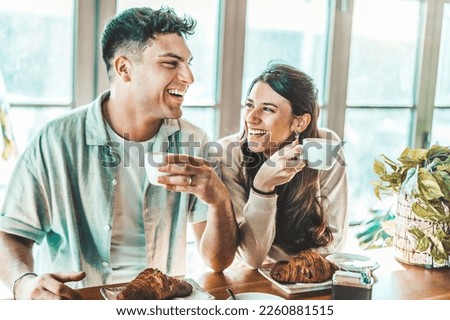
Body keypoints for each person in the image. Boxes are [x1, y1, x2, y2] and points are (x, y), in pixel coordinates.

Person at [0, 6, 238, 300]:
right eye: (171, 63)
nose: (189, 76)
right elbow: (10, 233)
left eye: (188, 63)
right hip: (77, 305)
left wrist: (219, 200)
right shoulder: (55, 141)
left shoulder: (195, 141)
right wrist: (23, 283)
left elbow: (217, 261)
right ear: (124, 68)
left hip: (162, 306)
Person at [217, 63, 348, 269]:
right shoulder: (227, 153)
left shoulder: (324, 145)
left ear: (300, 123)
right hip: (250, 279)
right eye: (249, 105)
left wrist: (297, 273)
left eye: (267, 109)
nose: (251, 118)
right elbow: (252, 258)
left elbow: (333, 239)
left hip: (309, 274)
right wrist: (262, 187)